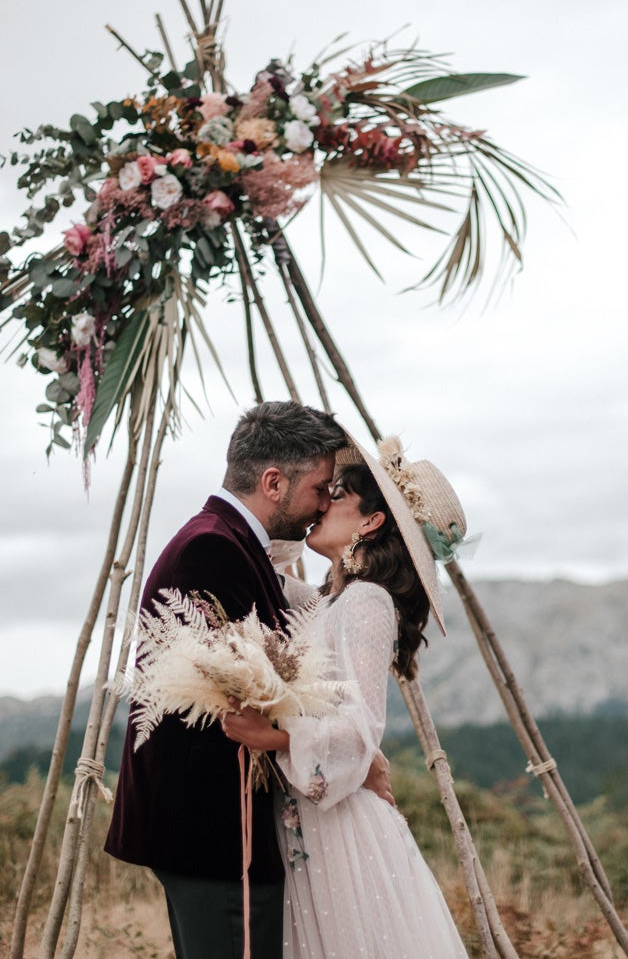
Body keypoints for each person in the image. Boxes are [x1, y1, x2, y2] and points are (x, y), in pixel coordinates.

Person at [104, 401, 388, 959]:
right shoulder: (214, 548)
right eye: (321, 488)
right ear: (274, 481)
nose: (323, 504)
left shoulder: (228, 541)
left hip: (210, 829)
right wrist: (357, 751)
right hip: (214, 829)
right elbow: (254, 695)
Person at [222, 432, 470, 958]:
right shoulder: (325, 603)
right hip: (308, 826)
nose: (321, 503)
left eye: (336, 496)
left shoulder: (367, 603)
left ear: (372, 521)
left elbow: (361, 728)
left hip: (338, 834)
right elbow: (261, 557)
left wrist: (276, 737)